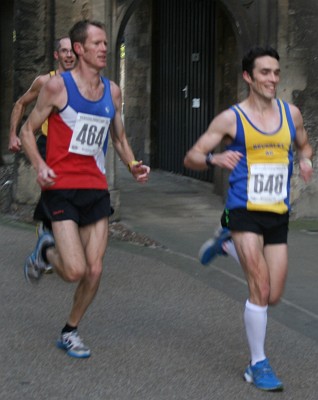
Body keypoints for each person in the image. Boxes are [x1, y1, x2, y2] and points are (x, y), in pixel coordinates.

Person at [184, 46, 313, 391]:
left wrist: (305, 160)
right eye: (264, 73)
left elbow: (304, 144)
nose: (272, 79)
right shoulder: (232, 119)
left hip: (277, 213)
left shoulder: (292, 114)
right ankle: (257, 363)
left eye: (276, 72)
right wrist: (214, 159)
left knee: (274, 295)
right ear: (248, 77)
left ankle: (225, 246)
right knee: (260, 288)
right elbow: (192, 156)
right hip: (243, 210)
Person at [20, 19, 150, 359]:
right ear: (79, 49)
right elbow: (27, 131)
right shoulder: (57, 88)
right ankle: (45, 252)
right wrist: (40, 165)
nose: (105, 48)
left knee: (94, 270)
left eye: (106, 43)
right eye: (97, 43)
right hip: (61, 188)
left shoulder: (113, 91)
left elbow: (118, 137)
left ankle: (70, 330)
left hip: (96, 188)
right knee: (75, 269)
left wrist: (133, 164)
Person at [8, 37, 76, 272]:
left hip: (75, 149)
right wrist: (13, 135)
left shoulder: (84, 82)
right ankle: (46, 241)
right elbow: (20, 103)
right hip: (49, 145)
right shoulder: (45, 81)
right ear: (57, 55)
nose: (69, 55)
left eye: (72, 51)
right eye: (64, 51)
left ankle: (52, 240)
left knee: (73, 197)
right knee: (57, 194)